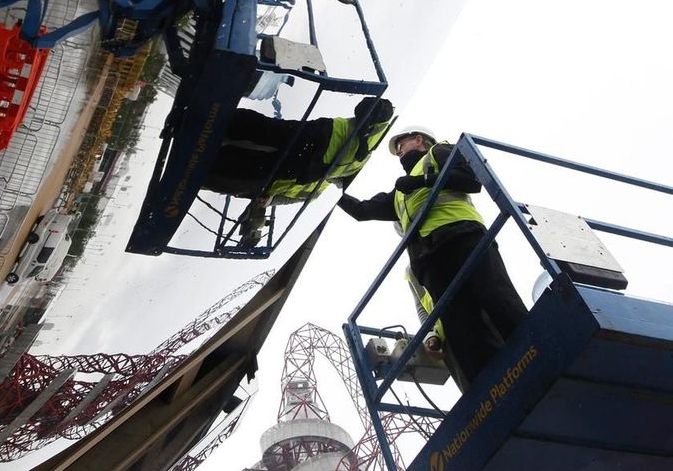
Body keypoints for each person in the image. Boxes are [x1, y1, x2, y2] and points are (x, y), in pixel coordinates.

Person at [337, 127, 528, 390]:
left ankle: (535, 347)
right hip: (428, 258)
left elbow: (471, 181)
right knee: (459, 325)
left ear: (419, 140)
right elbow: (361, 210)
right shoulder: (399, 193)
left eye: (401, 144)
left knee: (495, 295)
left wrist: (424, 181)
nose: (399, 152)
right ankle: (488, 391)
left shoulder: (438, 153)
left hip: (461, 233)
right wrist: (331, 189)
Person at [202, 97, 394, 205]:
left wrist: (271, 200)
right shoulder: (383, 131)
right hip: (323, 135)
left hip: (308, 170)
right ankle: (216, 119)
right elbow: (375, 107)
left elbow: (293, 198)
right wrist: (364, 130)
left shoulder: (339, 181)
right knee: (267, 131)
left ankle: (204, 167)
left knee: (252, 169)